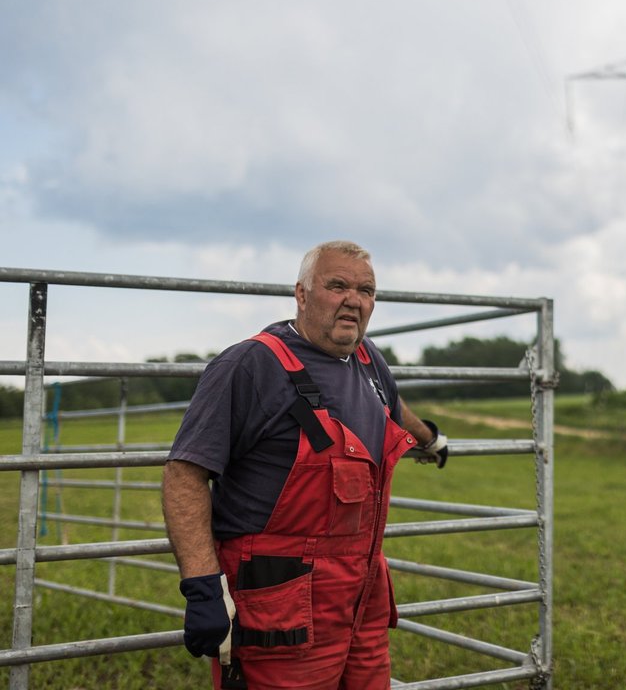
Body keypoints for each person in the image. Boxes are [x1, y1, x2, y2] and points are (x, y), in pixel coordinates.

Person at [162, 240, 449, 690]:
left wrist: (430, 439)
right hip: (282, 602)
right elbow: (186, 472)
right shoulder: (252, 365)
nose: (354, 300)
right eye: (337, 286)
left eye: (366, 290)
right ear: (301, 294)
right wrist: (202, 585)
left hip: (361, 592)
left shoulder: (368, 360)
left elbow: (392, 409)